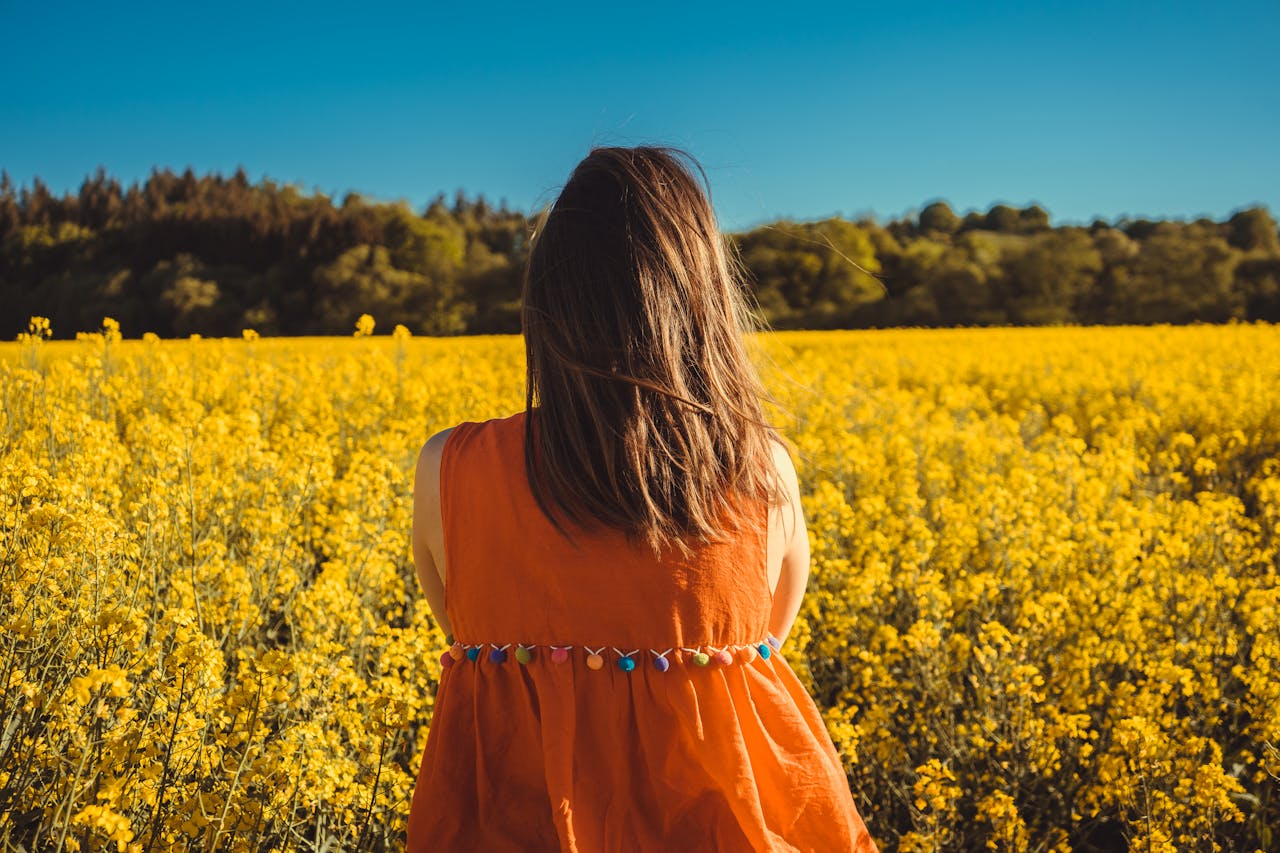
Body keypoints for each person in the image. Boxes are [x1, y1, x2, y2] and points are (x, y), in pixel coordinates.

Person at [407, 145, 879, 851]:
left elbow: (459, 619)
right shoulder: (765, 474)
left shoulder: (450, 468)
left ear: (547, 303)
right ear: (707, 302)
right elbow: (765, 638)